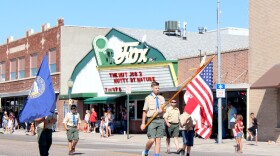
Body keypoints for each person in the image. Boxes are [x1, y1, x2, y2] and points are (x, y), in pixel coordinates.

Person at [140, 81, 165, 156]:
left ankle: (157, 155)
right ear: (152, 88)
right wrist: (143, 123)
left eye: (158, 88)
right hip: (151, 120)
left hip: (160, 120)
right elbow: (144, 111)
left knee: (158, 140)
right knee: (151, 139)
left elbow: (164, 110)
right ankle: (146, 151)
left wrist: (162, 110)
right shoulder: (148, 98)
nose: (157, 89)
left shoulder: (161, 98)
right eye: (156, 88)